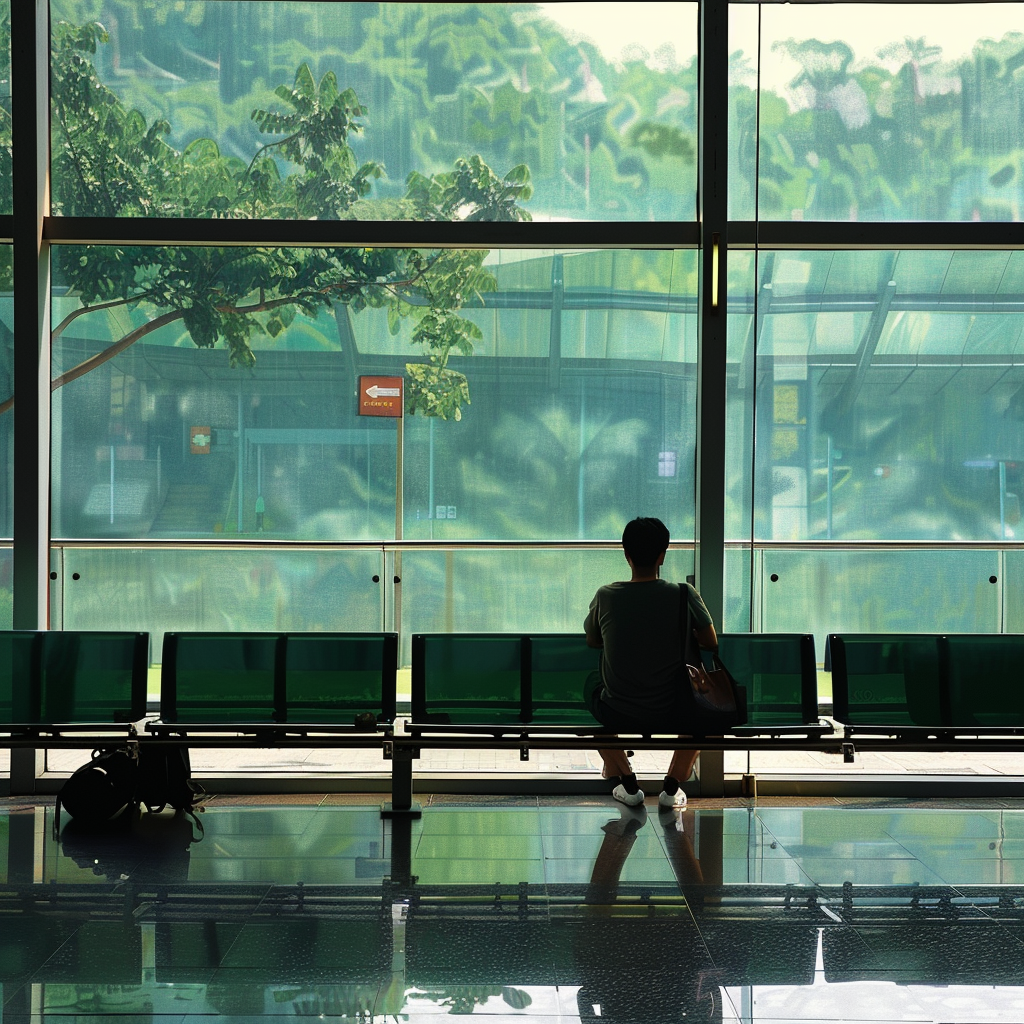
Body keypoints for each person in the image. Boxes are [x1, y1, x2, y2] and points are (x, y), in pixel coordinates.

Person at [583, 516, 718, 808]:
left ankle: (628, 783)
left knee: (592, 703)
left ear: (626, 555)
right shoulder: (684, 594)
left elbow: (593, 640)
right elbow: (711, 642)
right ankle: (671, 788)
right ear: (662, 555)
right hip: (674, 707)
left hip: (619, 709)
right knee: (699, 718)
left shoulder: (607, 596)